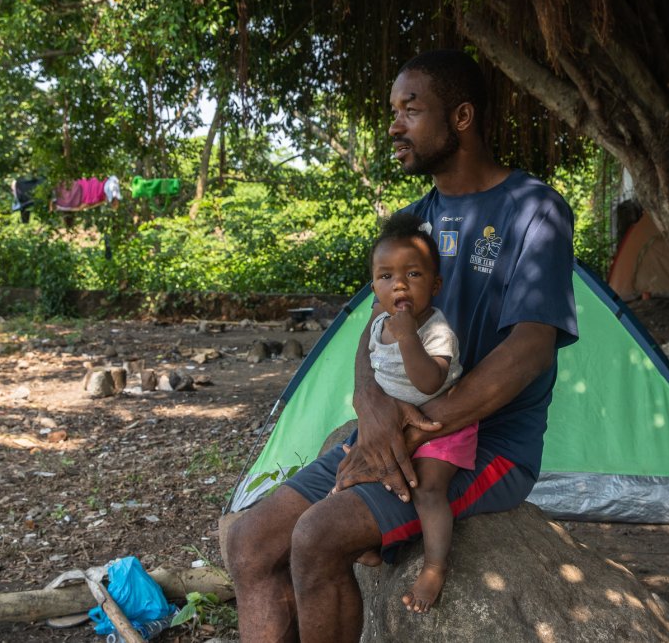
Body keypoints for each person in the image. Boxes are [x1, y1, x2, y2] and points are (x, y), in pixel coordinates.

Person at [227, 49, 578, 643]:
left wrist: (415, 429)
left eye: (410, 110)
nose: (393, 126)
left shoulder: (533, 211)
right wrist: (372, 408)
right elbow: (373, 331)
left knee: (316, 537)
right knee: (249, 541)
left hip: (483, 444)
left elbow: (529, 351)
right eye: (393, 110)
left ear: (461, 116)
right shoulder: (413, 223)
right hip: (401, 433)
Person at [365, 211, 478, 613]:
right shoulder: (378, 322)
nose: (398, 284)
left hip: (442, 424)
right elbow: (372, 369)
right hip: (397, 418)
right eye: (385, 276)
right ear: (374, 284)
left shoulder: (435, 330)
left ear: (435, 284)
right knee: (356, 467)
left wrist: (409, 337)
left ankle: (434, 566)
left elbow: (429, 381)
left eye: (412, 275)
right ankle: (376, 548)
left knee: (428, 488)